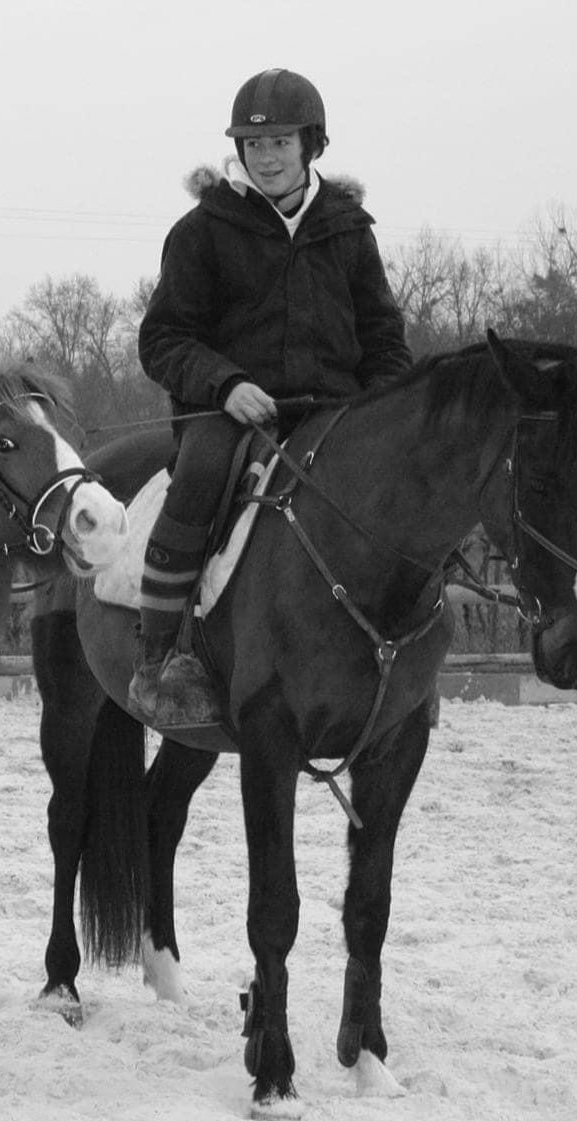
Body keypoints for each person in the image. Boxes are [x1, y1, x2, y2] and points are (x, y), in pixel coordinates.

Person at [131, 67, 413, 729]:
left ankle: (408, 649)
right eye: (254, 144)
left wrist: (384, 411)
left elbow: (383, 337)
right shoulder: (202, 230)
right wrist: (226, 384)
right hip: (230, 411)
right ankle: (163, 654)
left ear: (311, 144)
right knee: (202, 470)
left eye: (280, 142)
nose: (266, 157)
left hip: (335, 410)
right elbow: (164, 338)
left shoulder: (348, 230)